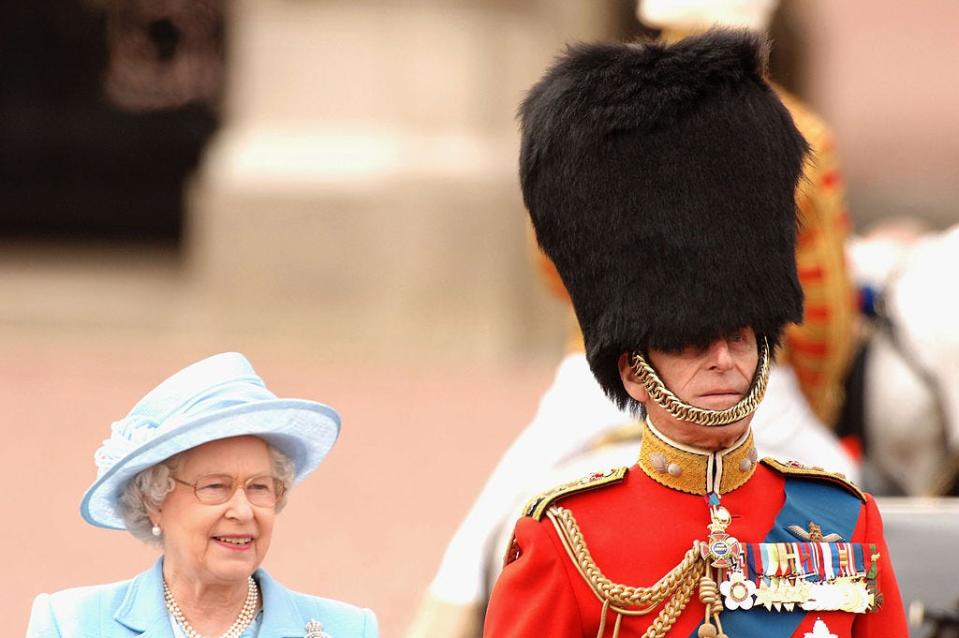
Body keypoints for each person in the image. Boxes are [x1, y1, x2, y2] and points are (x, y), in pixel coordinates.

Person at [407, 4, 860, 635]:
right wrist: (818, 389)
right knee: (853, 499)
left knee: (476, 538)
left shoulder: (581, 127)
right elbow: (826, 305)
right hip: (759, 375)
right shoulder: (795, 122)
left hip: (597, 374)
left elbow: (552, 265)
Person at [27, 352, 379, 638]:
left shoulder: (348, 630)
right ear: (154, 502)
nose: (243, 511)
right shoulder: (71, 625)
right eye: (215, 487)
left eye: (259, 487)